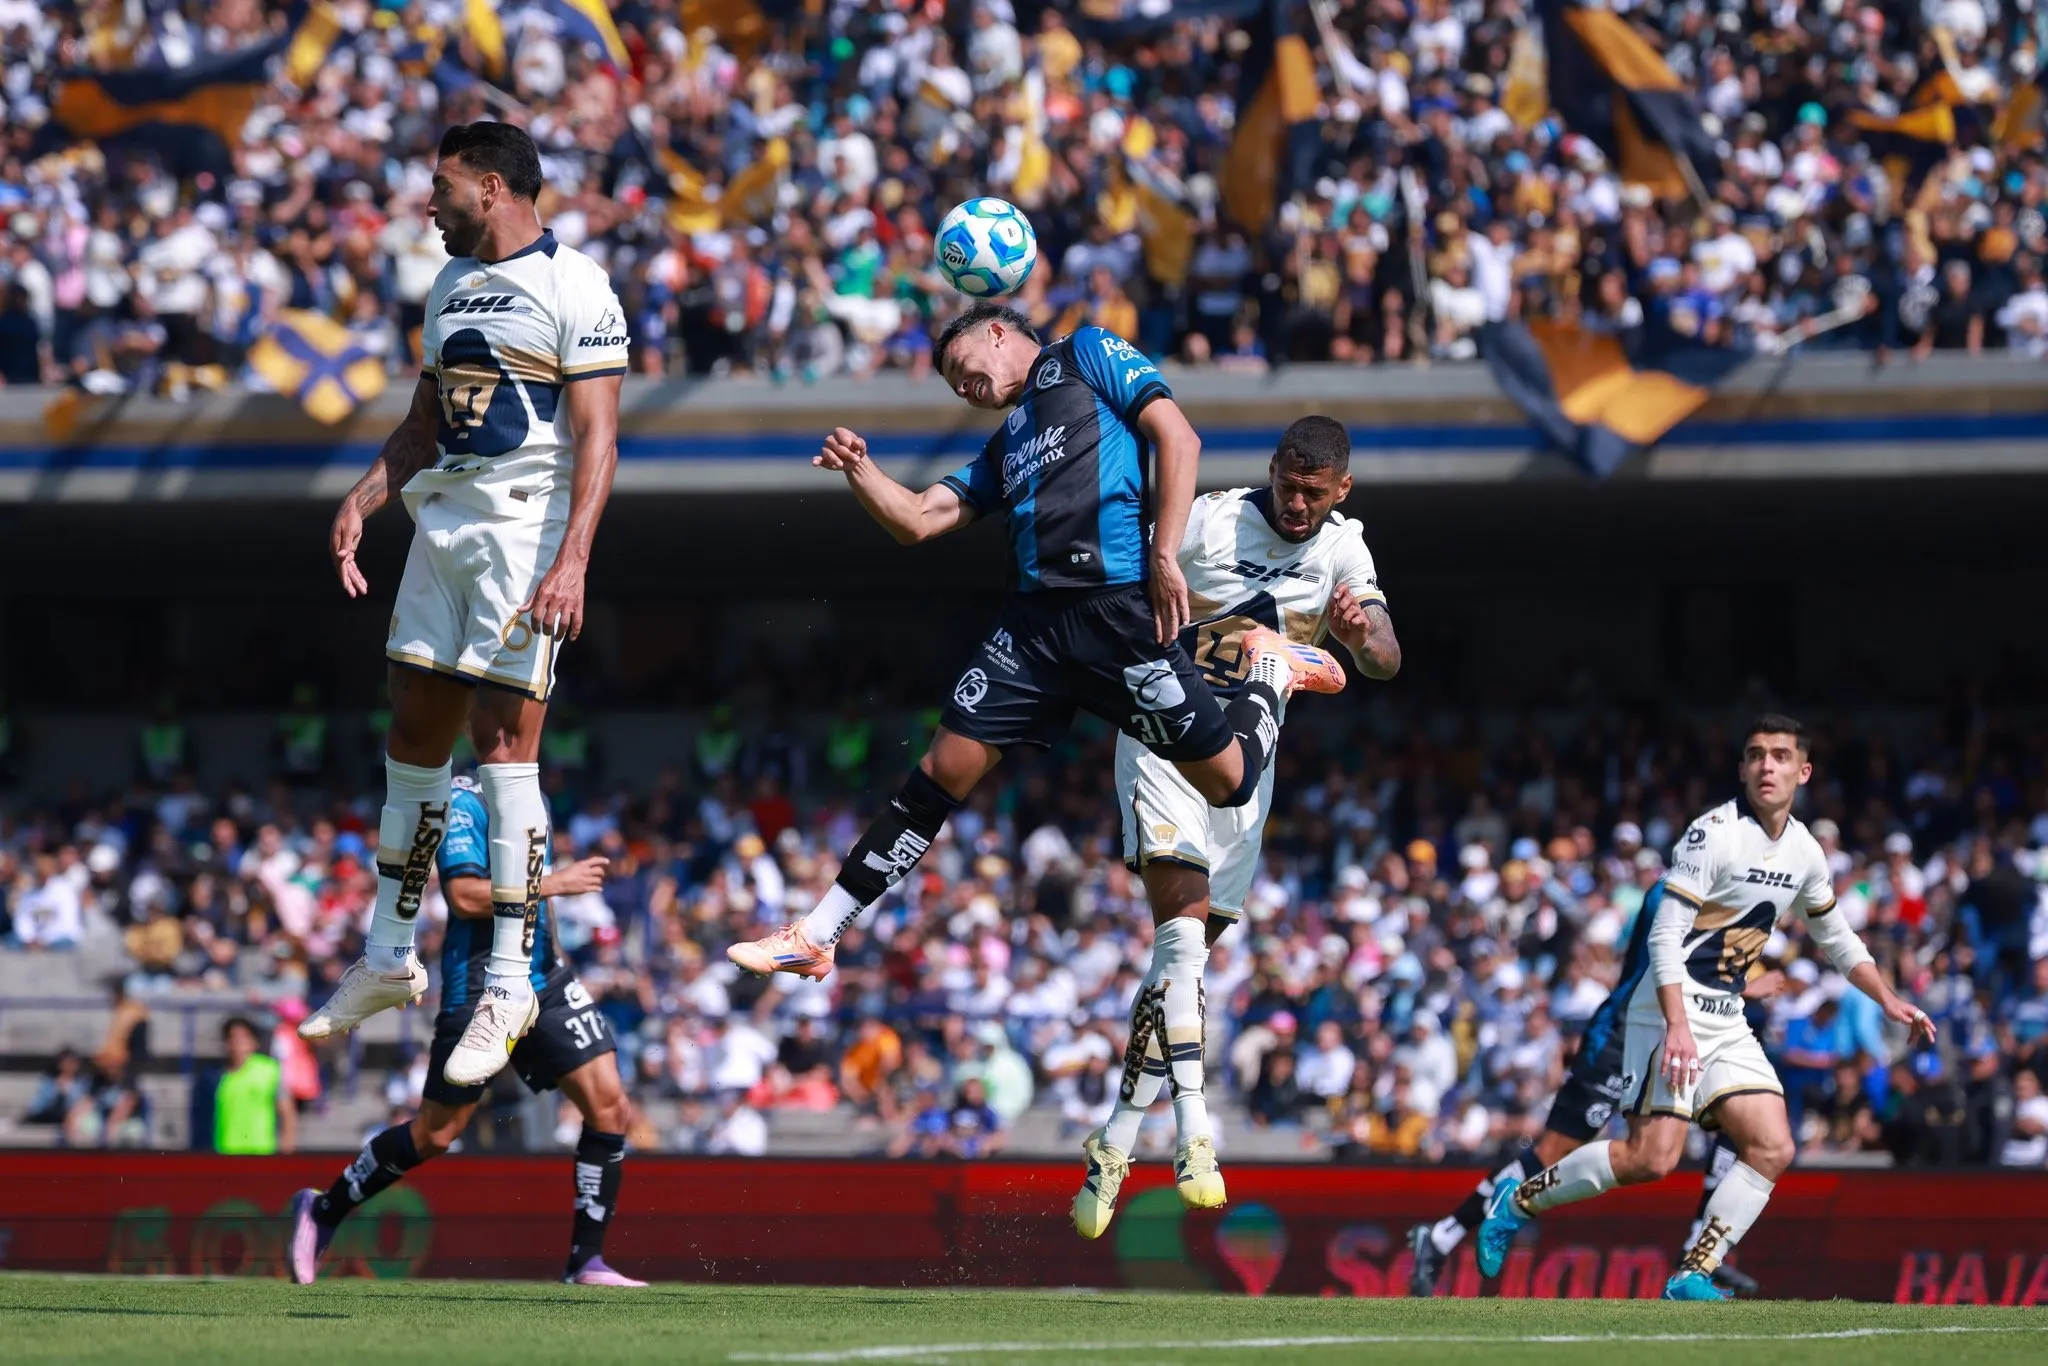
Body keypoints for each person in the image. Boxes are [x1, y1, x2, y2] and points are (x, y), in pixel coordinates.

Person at [725, 304, 1344, 981]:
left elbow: (1179, 437)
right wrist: (860, 468)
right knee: (940, 772)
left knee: (1231, 783)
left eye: (962, 369)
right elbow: (919, 520)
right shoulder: (1006, 445)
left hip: (1115, 612)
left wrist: (1166, 554)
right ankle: (817, 934)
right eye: (953, 385)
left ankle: (1272, 673)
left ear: (996, 332)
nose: (963, 389)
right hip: (1033, 631)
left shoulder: (1086, 353)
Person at [302, 121, 628, 1091]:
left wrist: (572, 561)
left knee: (502, 748)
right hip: (442, 524)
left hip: (525, 532)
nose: (429, 202)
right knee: (413, 736)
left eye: (441, 185)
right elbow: (422, 421)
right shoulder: (448, 285)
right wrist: (363, 499)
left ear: (490, 187)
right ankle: (387, 955)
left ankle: (508, 983)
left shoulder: (577, 286)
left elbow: (600, 440)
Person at [1069, 416, 1401, 1237]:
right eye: (1288, 485)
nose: (1297, 503)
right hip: (1165, 739)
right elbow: (1117, 584)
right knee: (1181, 942)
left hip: (1248, 773)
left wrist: (1362, 635)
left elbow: (1386, 658)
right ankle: (1195, 1130)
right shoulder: (1209, 521)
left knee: (1176, 971)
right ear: (1272, 469)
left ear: (1341, 489)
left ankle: (1116, 1138)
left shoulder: (1344, 550)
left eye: (1313, 493)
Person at [1473, 716, 1937, 1300]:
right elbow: (1664, 935)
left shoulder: (1805, 851)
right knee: (1651, 1159)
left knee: (1773, 1145)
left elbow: (1838, 938)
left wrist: (1889, 999)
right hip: (1669, 1008)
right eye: (1756, 755)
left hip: (1725, 1013)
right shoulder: (1712, 834)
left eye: (1780, 756)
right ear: (1742, 768)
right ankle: (1515, 1203)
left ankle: (1692, 1272)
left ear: (1803, 771)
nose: (1767, 765)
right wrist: (1676, 1026)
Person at [286, 776, 643, 1288]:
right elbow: (464, 897)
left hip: (545, 978)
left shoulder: (535, 796)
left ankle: (585, 1261)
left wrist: (556, 946)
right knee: (436, 1133)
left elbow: (536, 904)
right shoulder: (464, 802)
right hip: (480, 985)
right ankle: (323, 1209)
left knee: (610, 1106)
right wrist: (555, 883)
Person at [1406, 875, 1785, 1297]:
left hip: (1683, 1034)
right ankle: (1445, 1233)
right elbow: (1672, 966)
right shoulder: (1678, 888)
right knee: (1552, 1153)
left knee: (1744, 1120)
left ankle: (1698, 1253)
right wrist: (1744, 988)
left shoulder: (1728, 882)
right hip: (1624, 1035)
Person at [215, 1017, 296, 1156]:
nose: (237, 1042)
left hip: (260, 1151)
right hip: (225, 1151)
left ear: (253, 1042)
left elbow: (287, 1111)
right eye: (232, 1037)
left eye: (243, 1037)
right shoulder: (216, 1077)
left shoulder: (269, 1070)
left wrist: (286, 1146)